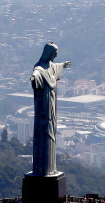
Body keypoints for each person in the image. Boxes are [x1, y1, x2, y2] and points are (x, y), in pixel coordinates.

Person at [30, 42, 71, 176]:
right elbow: (36, 72)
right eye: (55, 53)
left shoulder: (51, 66)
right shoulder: (40, 68)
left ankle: (51, 168)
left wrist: (63, 65)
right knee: (44, 134)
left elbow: (55, 67)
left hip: (52, 106)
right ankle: (44, 169)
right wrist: (34, 77)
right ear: (48, 53)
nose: (56, 55)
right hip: (44, 107)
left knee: (51, 132)